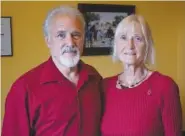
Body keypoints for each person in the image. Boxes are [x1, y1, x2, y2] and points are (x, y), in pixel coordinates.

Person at [2, 6, 102, 136]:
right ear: (48, 41)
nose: (70, 42)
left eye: (76, 35)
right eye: (61, 35)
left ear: (83, 39)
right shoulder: (23, 88)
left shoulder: (94, 78)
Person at [100, 14, 182, 136]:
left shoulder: (165, 87)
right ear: (116, 44)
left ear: (147, 46)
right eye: (123, 37)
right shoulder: (104, 86)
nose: (130, 45)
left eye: (138, 38)